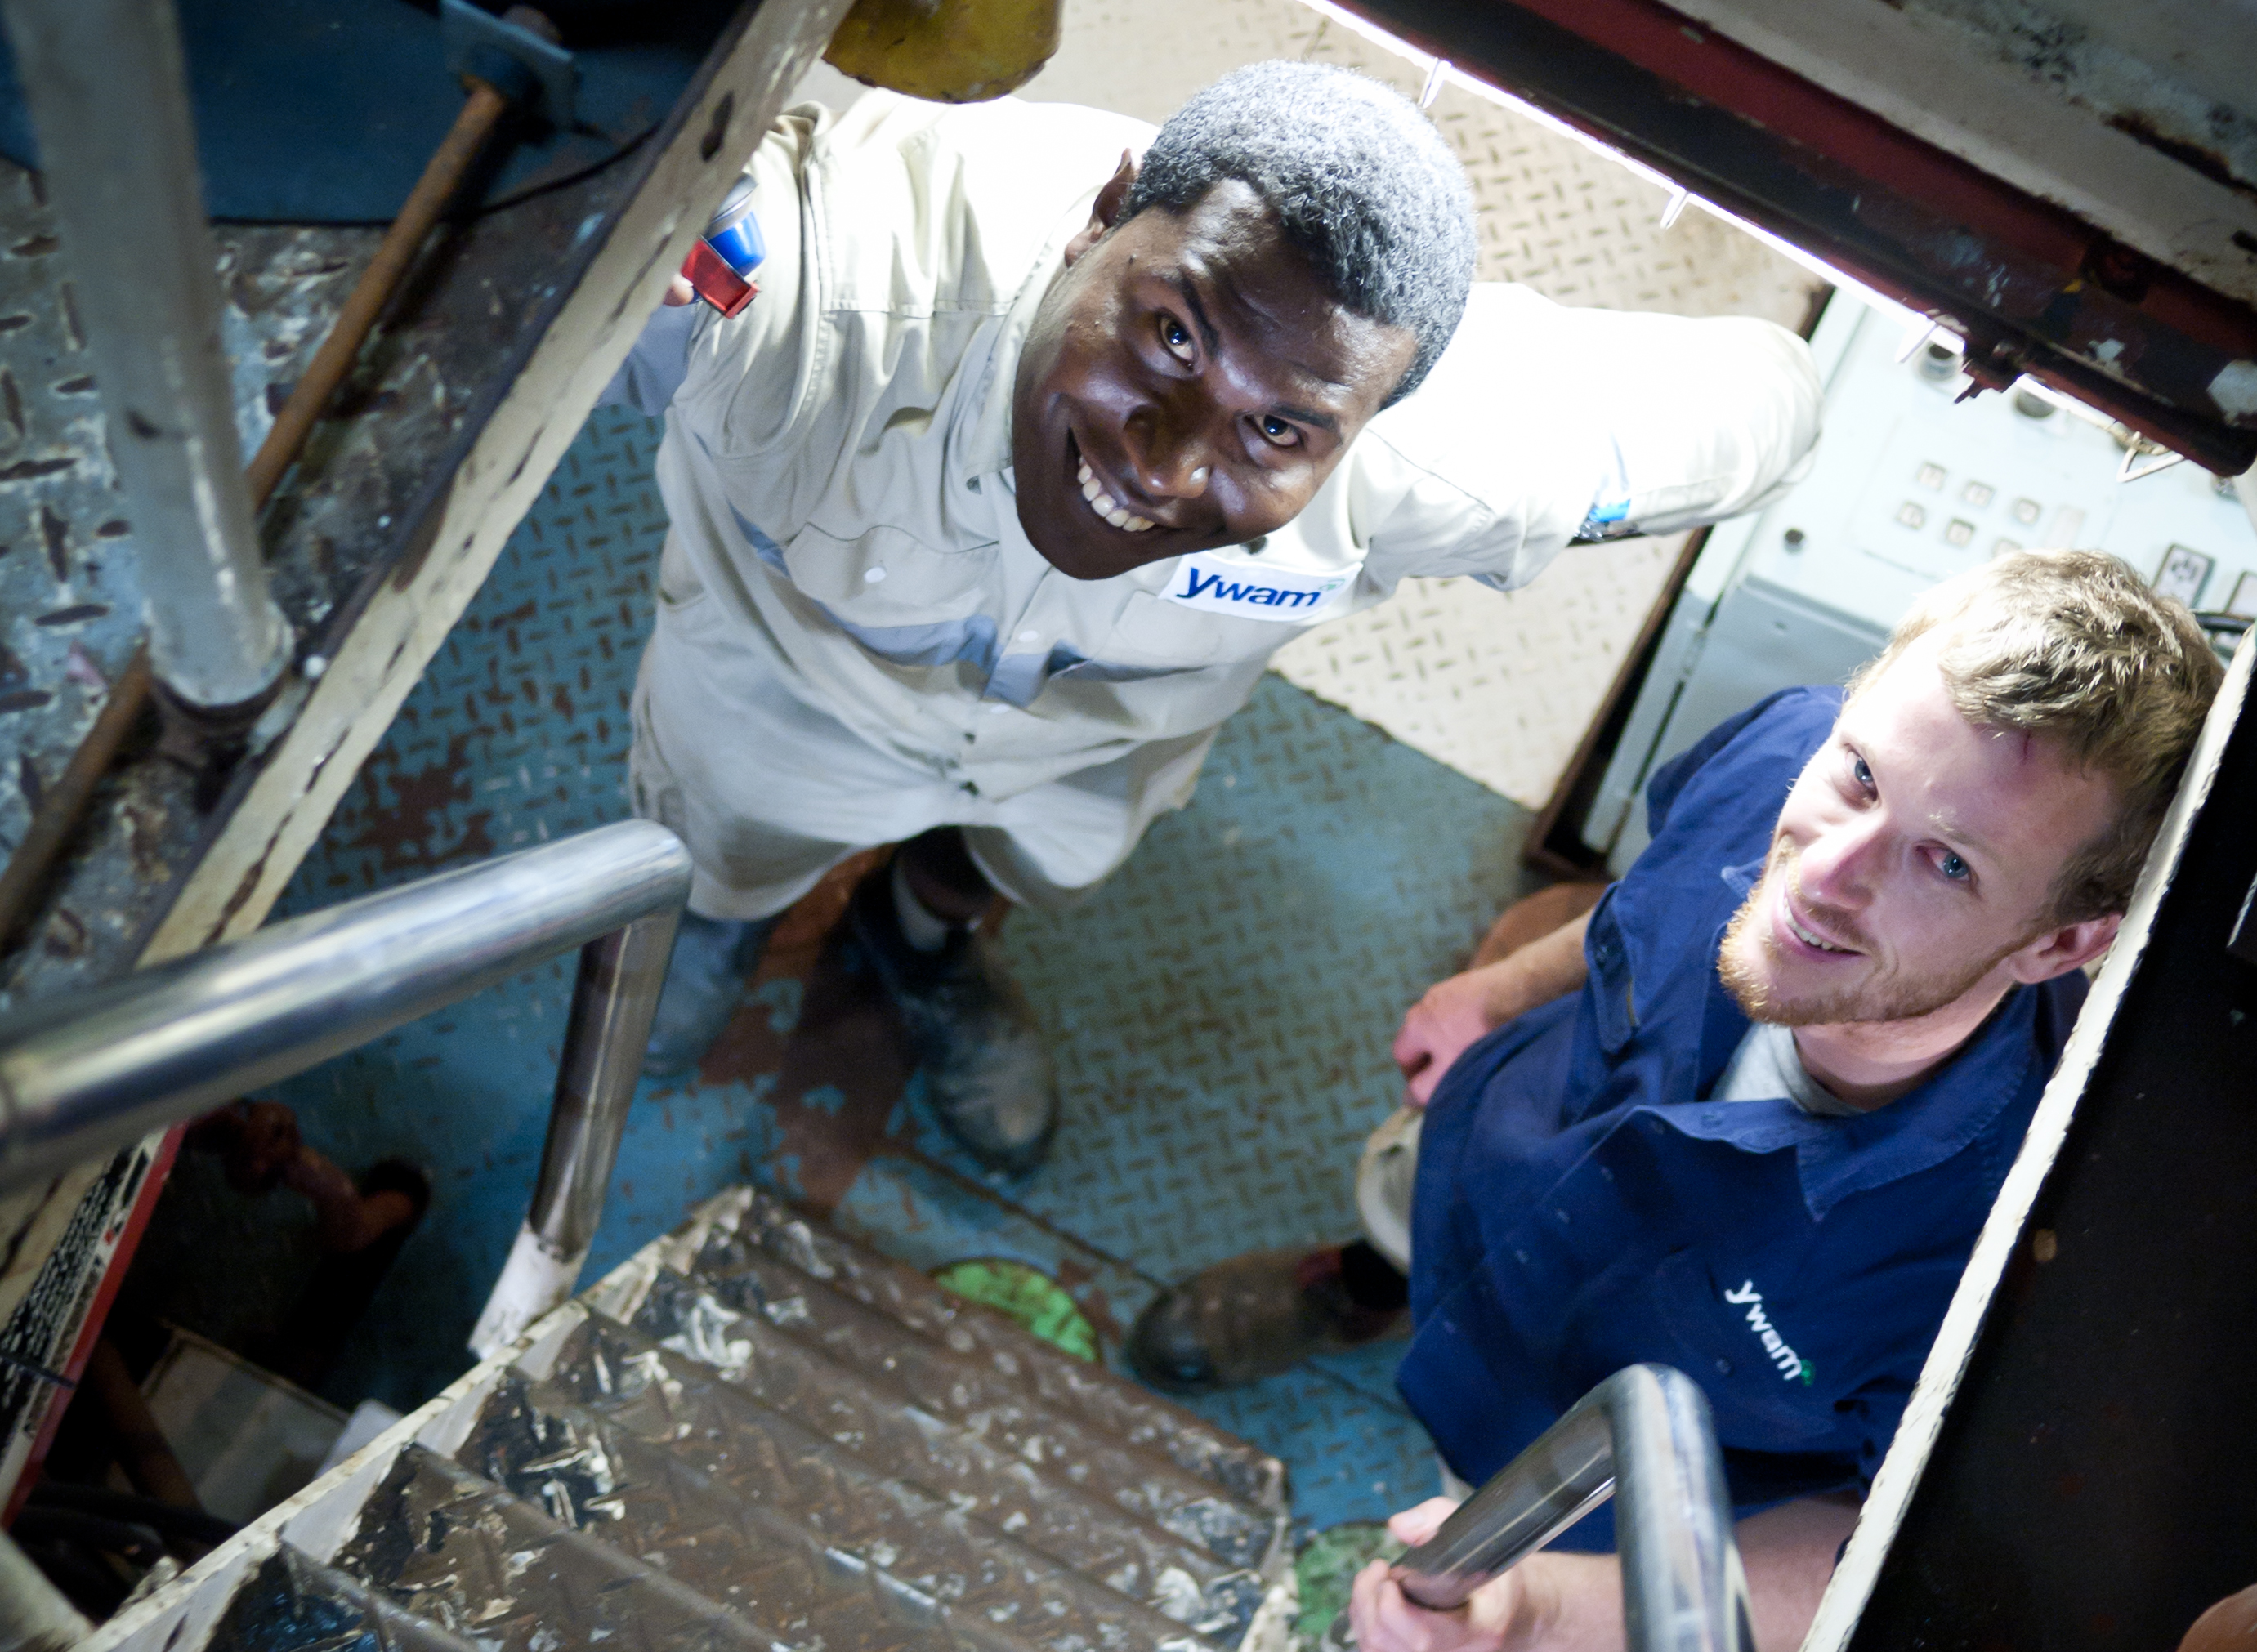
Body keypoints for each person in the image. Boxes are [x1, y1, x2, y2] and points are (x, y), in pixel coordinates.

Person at [615, 58, 1821, 1170]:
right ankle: (715, 923)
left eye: (1279, 429)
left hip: (1086, 758)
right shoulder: (827, 290)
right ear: (1106, 209)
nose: (1168, 468)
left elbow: (1768, 413)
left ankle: (923, 936)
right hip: (778, 695)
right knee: (719, 844)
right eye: (1173, 335)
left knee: (1024, 856)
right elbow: (612, 236)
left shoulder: (1435, 450)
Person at [1132, 551, 2223, 1652]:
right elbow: (1645, 888)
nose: (1824, 877)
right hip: (1485, 1172)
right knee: (1400, 1206)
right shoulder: (1780, 754)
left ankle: (1514, 1648)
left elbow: (1872, 1532)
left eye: (1946, 862)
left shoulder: (2005, 1263)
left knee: (1479, 1625)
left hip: (1586, 1491)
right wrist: (1498, 993)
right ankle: (1361, 1283)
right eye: (1859, 777)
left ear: (2058, 944)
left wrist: (1550, 1610)